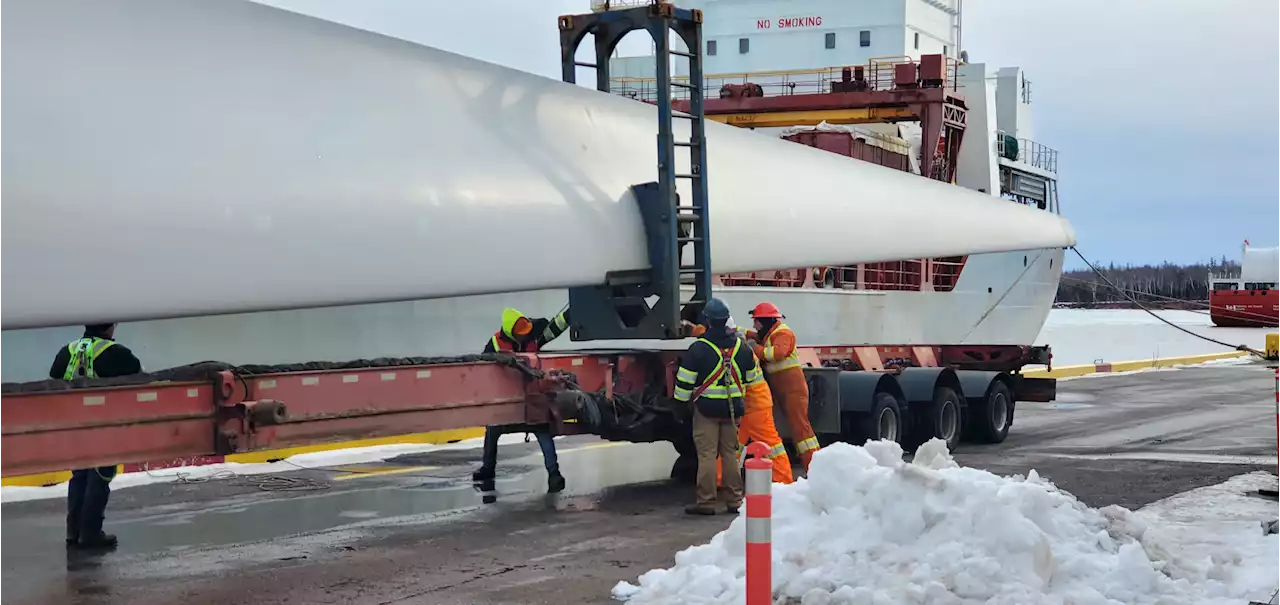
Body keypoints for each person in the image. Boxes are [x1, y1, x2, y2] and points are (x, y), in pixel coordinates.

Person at [49, 323, 143, 550]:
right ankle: (90, 532)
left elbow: (53, 380)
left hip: (74, 425)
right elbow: (140, 380)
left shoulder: (67, 351)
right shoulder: (117, 353)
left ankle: (74, 531)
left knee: (80, 474)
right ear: (110, 327)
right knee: (101, 475)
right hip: (104, 424)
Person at [472, 306, 571, 493]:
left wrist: (571, 313)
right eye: (521, 334)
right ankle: (488, 469)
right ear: (510, 333)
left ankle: (554, 475)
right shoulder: (495, 343)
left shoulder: (532, 334)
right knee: (494, 430)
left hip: (532, 398)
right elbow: (485, 370)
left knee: (541, 431)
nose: (525, 336)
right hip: (510, 400)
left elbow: (555, 327)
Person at [672, 298, 755, 515]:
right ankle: (735, 500)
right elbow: (751, 378)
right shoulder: (742, 347)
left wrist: (679, 406)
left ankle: (706, 502)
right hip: (732, 409)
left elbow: (684, 382)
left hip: (707, 410)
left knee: (707, 455)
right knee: (730, 454)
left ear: (707, 321)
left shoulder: (698, 348)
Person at [716, 315, 794, 485]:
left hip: (755, 405)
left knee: (770, 445)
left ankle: (784, 480)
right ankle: (720, 478)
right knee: (733, 445)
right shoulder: (742, 350)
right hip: (754, 404)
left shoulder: (739, 353)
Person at [747, 302, 820, 471]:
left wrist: (755, 348)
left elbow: (775, 354)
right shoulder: (770, 333)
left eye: (756, 321)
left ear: (766, 321)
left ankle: (814, 467)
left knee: (801, 430)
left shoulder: (783, 333)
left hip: (793, 390)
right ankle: (814, 464)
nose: (754, 325)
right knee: (800, 429)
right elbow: (751, 334)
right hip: (786, 390)